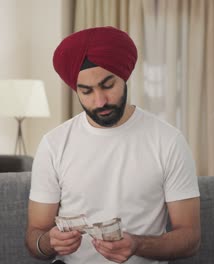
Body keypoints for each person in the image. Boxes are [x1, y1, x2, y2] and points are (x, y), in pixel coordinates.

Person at [25, 26, 200, 264]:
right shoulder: (53, 145)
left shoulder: (168, 141)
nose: (100, 101)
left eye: (108, 85)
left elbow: (190, 238)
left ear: (124, 77)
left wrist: (138, 244)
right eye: (86, 91)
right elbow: (35, 236)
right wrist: (48, 242)